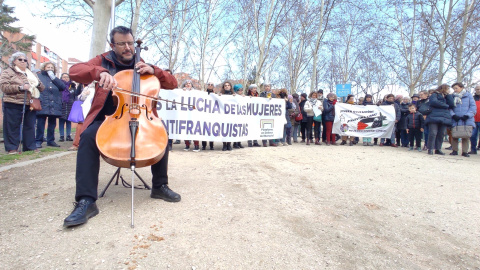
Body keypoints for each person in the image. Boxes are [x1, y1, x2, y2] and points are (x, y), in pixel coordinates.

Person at [63, 26, 180, 228]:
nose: (128, 48)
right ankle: (86, 200)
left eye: (130, 43)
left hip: (141, 115)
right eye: (122, 44)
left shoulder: (142, 64)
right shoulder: (102, 60)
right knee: (88, 136)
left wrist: (156, 71)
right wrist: (98, 72)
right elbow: (74, 72)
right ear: (112, 45)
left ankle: (160, 186)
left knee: (161, 134)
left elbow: (173, 83)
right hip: (108, 116)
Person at [0, 52, 45, 154]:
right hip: (13, 102)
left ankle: (30, 147)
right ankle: (12, 147)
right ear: (14, 61)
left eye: (25, 60)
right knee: (12, 126)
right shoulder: (8, 72)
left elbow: (42, 88)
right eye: (20, 59)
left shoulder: (31, 74)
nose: (23, 61)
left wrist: (37, 84)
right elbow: (3, 87)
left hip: (30, 103)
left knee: (30, 125)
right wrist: (20, 87)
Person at [36, 62, 65, 148]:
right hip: (43, 103)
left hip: (54, 104)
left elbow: (62, 87)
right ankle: (38, 141)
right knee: (41, 123)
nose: (50, 69)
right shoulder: (39, 76)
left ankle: (51, 141)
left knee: (52, 124)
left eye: (52, 67)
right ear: (44, 68)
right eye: (48, 67)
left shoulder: (55, 78)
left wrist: (54, 78)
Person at [425, 84, 454, 155]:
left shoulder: (447, 96)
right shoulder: (435, 94)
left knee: (441, 134)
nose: (449, 90)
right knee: (433, 133)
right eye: (448, 89)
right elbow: (434, 102)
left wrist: (449, 95)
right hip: (434, 116)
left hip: (444, 117)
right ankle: (430, 148)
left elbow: (452, 104)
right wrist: (446, 105)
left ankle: (438, 149)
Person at [449, 82, 476, 157]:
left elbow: (473, 107)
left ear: (461, 87)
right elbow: (449, 108)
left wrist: (468, 115)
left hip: (466, 119)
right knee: (454, 135)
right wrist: (453, 115)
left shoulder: (469, 96)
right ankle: (454, 150)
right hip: (456, 118)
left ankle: (465, 151)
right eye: (453, 88)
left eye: (456, 88)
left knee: (466, 136)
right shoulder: (452, 96)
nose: (455, 90)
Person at [59, 73, 82, 142]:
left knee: (68, 121)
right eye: (64, 77)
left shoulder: (72, 86)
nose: (65, 78)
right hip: (62, 105)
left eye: (67, 77)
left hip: (70, 105)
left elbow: (75, 95)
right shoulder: (59, 86)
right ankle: (61, 136)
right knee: (61, 121)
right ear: (61, 78)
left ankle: (68, 135)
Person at [181, 80, 201, 152]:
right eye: (186, 84)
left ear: (192, 85)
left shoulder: (196, 92)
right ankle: (187, 145)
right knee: (185, 129)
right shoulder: (182, 91)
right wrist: (183, 92)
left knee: (195, 129)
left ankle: (196, 145)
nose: (188, 85)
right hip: (184, 113)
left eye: (189, 83)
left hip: (194, 113)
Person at [220, 81, 235, 150]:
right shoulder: (220, 94)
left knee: (230, 130)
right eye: (225, 85)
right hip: (223, 116)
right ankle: (224, 145)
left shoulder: (234, 95)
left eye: (228, 85)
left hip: (231, 116)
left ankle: (229, 144)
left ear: (230, 87)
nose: (227, 86)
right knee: (224, 130)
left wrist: (242, 97)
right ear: (223, 87)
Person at [201, 82, 216, 150]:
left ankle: (211, 145)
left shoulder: (215, 94)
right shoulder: (203, 93)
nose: (210, 86)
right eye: (209, 84)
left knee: (211, 130)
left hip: (212, 115)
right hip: (204, 114)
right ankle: (204, 145)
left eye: (211, 84)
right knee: (204, 130)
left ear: (213, 86)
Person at [232, 84, 245, 149]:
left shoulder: (243, 97)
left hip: (241, 115)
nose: (240, 91)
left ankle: (239, 143)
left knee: (240, 129)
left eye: (241, 90)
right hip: (235, 116)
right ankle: (235, 143)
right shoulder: (233, 96)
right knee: (235, 129)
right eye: (239, 90)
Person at [469, 85, 480, 154]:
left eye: (479, 89)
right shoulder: (472, 98)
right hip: (474, 120)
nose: (478, 90)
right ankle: (473, 149)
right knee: (473, 135)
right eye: (477, 89)